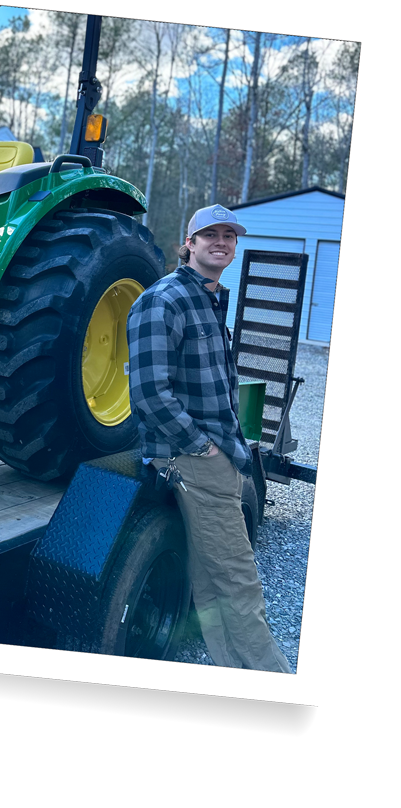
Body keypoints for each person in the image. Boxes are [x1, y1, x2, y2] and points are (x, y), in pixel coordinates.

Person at [126, 204, 292, 673]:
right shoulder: (164, 300)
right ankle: (272, 678)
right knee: (240, 580)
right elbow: (149, 393)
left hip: (218, 454)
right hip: (196, 459)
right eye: (210, 234)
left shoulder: (209, 299)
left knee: (212, 580)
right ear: (190, 242)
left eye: (229, 236)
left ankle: (231, 669)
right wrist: (201, 447)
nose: (221, 242)